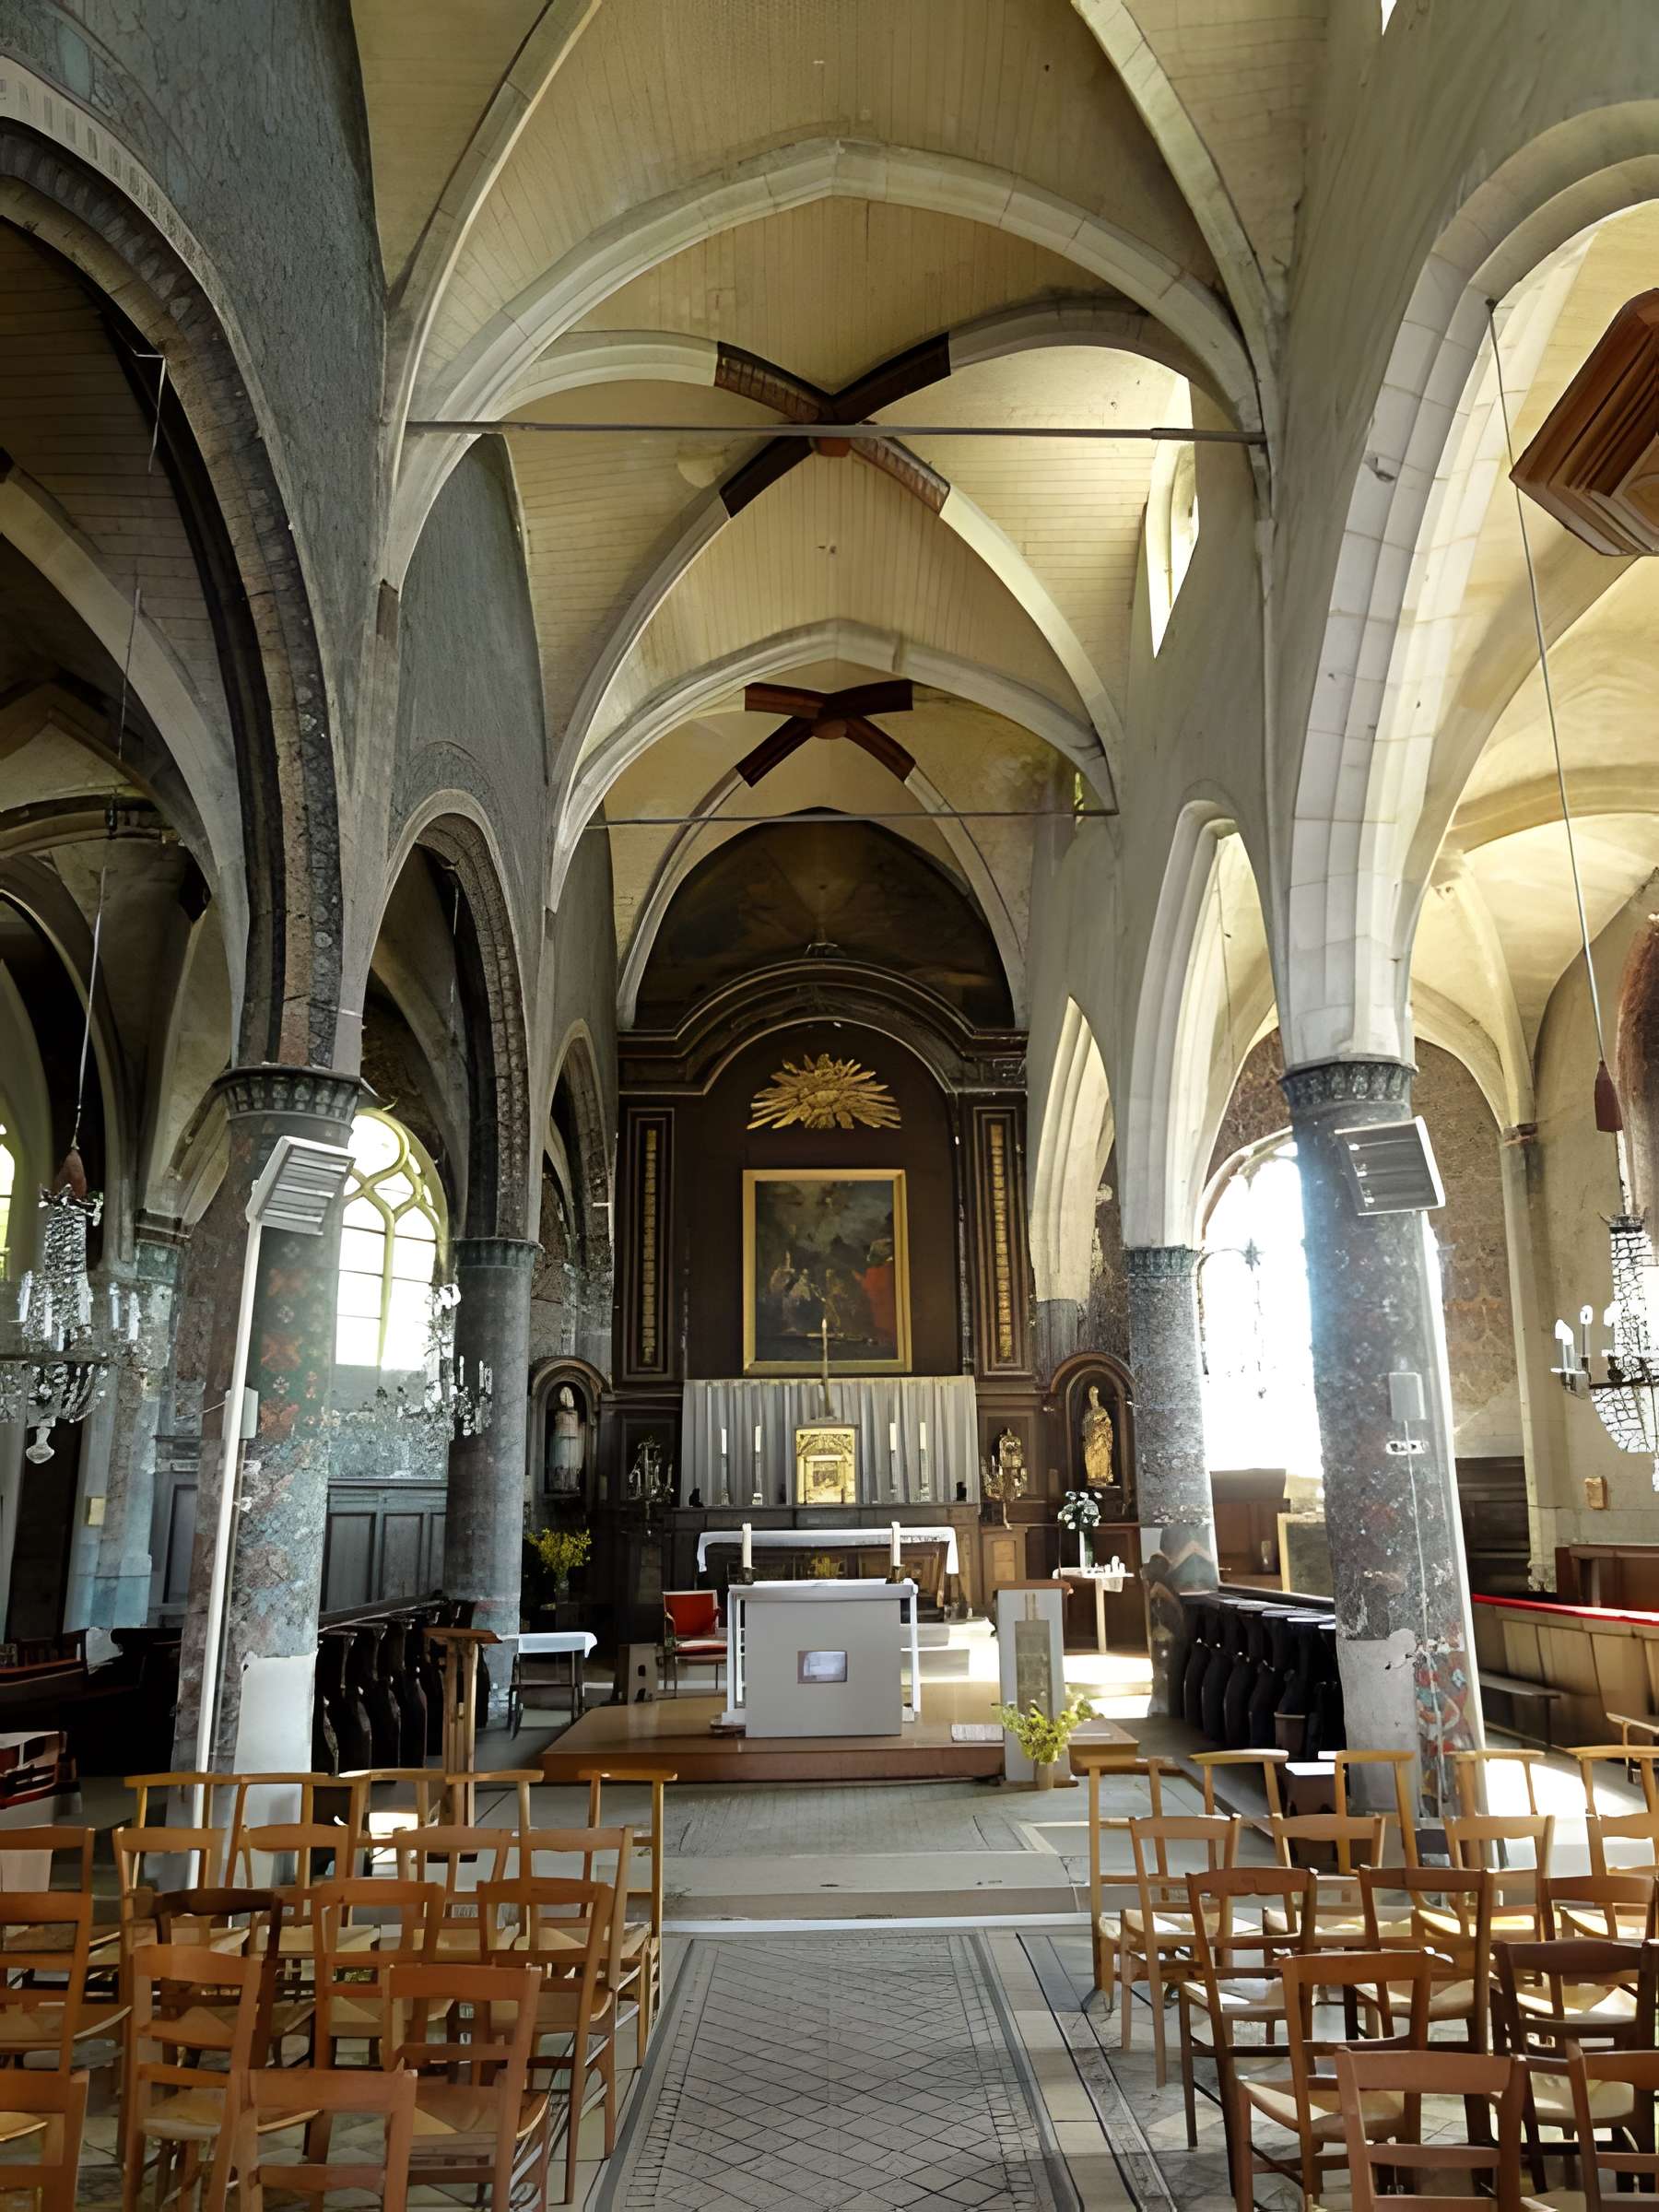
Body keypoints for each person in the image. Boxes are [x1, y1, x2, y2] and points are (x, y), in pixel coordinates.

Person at [1080, 1382, 1114, 1489]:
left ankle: (1102, 1479)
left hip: (1101, 1440)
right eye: (1091, 1396)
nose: (1093, 1399)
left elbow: (1107, 1423)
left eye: (1094, 1396)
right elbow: (1084, 1427)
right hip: (1091, 1443)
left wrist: (1101, 1427)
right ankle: (1093, 1479)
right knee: (1091, 1461)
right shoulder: (1087, 1413)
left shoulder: (1102, 1411)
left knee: (1102, 1459)